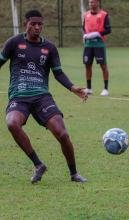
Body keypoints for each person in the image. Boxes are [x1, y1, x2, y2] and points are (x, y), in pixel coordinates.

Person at [0, 10, 87, 183]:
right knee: (12, 123)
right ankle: (38, 164)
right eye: (33, 24)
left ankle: (74, 173)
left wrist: (73, 87)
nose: (37, 27)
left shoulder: (49, 48)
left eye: (40, 24)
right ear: (26, 23)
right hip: (19, 96)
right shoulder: (14, 43)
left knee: (62, 134)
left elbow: (58, 73)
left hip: (42, 97)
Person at [82, 0, 111, 96]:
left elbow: (108, 29)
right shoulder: (86, 15)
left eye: (93, 2)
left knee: (103, 66)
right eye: (90, 2)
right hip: (88, 45)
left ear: (98, 3)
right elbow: (84, 27)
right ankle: (89, 88)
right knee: (87, 65)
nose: (91, 4)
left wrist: (97, 34)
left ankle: (106, 89)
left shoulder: (104, 15)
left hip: (99, 44)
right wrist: (86, 35)